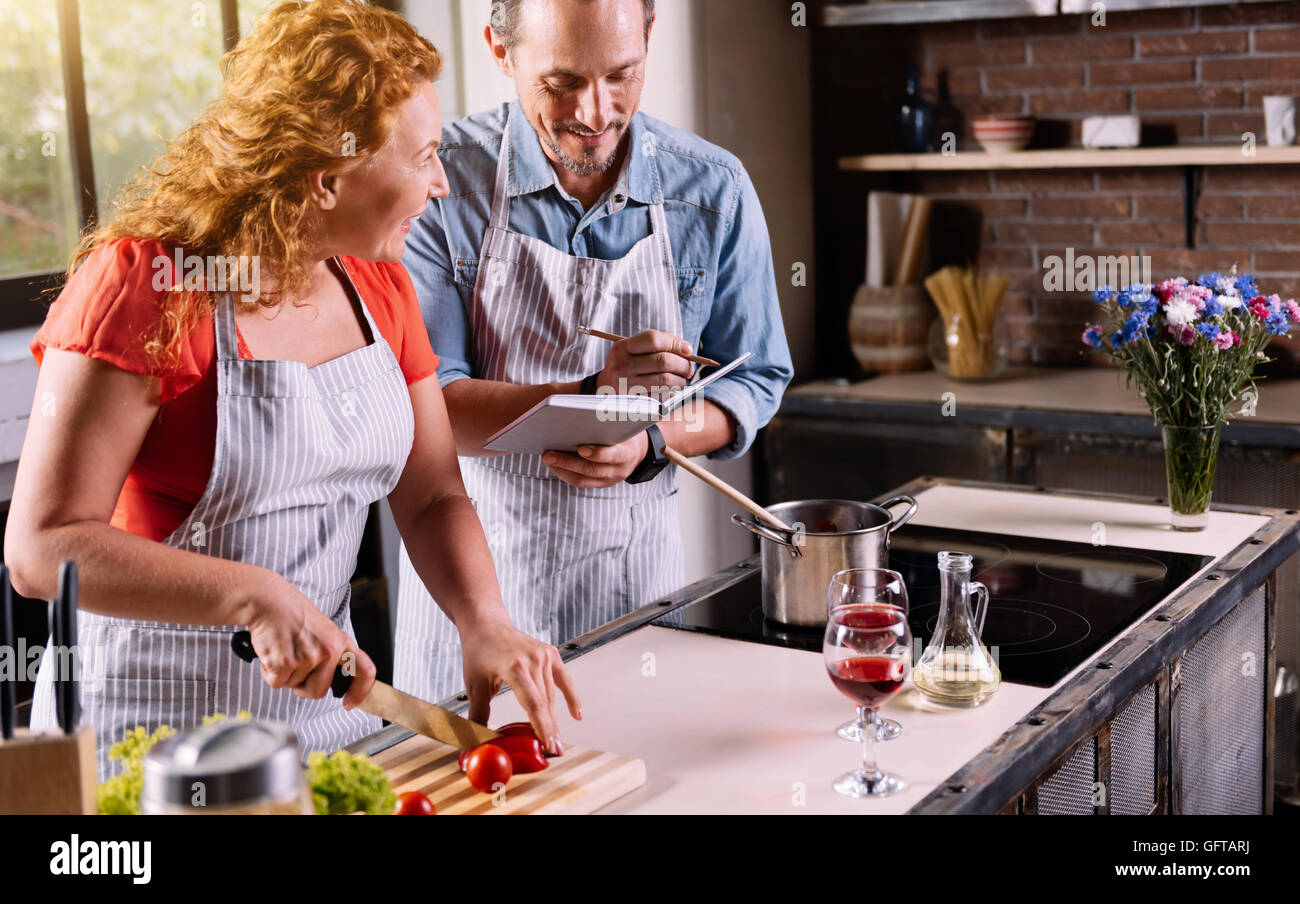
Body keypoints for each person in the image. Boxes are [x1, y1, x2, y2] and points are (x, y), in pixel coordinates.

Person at [4, 0, 578, 780]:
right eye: (423, 157)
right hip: (143, 745)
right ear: (327, 179)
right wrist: (249, 594)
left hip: (316, 731)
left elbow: (434, 494)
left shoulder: (380, 283)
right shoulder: (150, 287)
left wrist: (484, 621)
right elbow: (41, 550)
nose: (441, 184)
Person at [394, 0, 793, 703]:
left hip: (636, 592)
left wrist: (649, 441)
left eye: (622, 74)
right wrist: (591, 398)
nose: (597, 111)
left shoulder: (713, 190)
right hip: (475, 596)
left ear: (649, 37)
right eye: (561, 83)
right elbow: (430, 406)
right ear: (500, 51)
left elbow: (754, 379)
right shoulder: (437, 184)